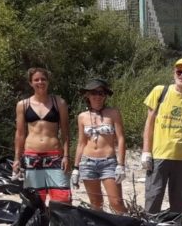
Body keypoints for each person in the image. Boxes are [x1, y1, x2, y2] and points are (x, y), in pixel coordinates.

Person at [141, 58, 182, 217]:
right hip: (159, 155)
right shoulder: (160, 91)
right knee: (153, 197)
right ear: (174, 73)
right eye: (179, 71)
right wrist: (146, 151)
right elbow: (149, 123)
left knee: (180, 204)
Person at [13, 67, 72, 205]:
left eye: (43, 79)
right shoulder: (23, 104)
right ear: (30, 83)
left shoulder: (59, 103)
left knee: (62, 197)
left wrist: (66, 156)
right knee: (35, 198)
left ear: (48, 81)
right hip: (32, 156)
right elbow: (20, 133)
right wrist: (17, 158)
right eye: (36, 80)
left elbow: (65, 132)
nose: (40, 82)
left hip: (55, 155)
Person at [72, 78, 126, 213]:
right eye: (94, 93)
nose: (97, 96)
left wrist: (121, 165)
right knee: (96, 203)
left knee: (116, 202)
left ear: (105, 95)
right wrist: (76, 168)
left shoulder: (113, 113)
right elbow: (81, 143)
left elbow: (121, 139)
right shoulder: (82, 117)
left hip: (108, 162)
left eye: (101, 93)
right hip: (87, 162)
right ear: (88, 95)